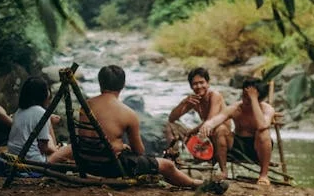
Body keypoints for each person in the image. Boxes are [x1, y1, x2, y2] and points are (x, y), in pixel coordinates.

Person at [50, 65, 208, 188]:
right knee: (167, 165)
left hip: (84, 160)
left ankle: (49, 162)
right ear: (123, 84)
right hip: (109, 166)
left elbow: (90, 137)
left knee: (72, 147)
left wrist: (117, 144)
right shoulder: (128, 113)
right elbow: (139, 151)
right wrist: (122, 146)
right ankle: (195, 184)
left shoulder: (86, 105)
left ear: (100, 83)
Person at [199, 78, 277, 185]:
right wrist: (208, 125)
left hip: (257, 148)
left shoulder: (267, 109)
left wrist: (253, 99)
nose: (245, 100)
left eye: (248, 98)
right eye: (244, 96)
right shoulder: (236, 107)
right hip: (237, 146)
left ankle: (263, 175)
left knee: (263, 132)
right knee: (220, 129)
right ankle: (223, 171)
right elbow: (219, 117)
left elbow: (262, 125)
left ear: (260, 99)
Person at [164, 67, 230, 166]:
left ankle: (220, 166)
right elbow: (172, 118)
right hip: (205, 134)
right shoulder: (195, 99)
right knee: (170, 126)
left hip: (221, 136)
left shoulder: (214, 95)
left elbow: (210, 121)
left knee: (219, 128)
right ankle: (173, 158)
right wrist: (184, 103)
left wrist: (191, 132)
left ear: (208, 83)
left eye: (202, 82)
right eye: (195, 84)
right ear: (191, 86)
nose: (199, 86)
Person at [7, 76, 61, 162]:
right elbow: (44, 148)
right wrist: (56, 151)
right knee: (70, 149)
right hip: (33, 161)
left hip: (14, 157)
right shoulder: (41, 113)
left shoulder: (19, 111)